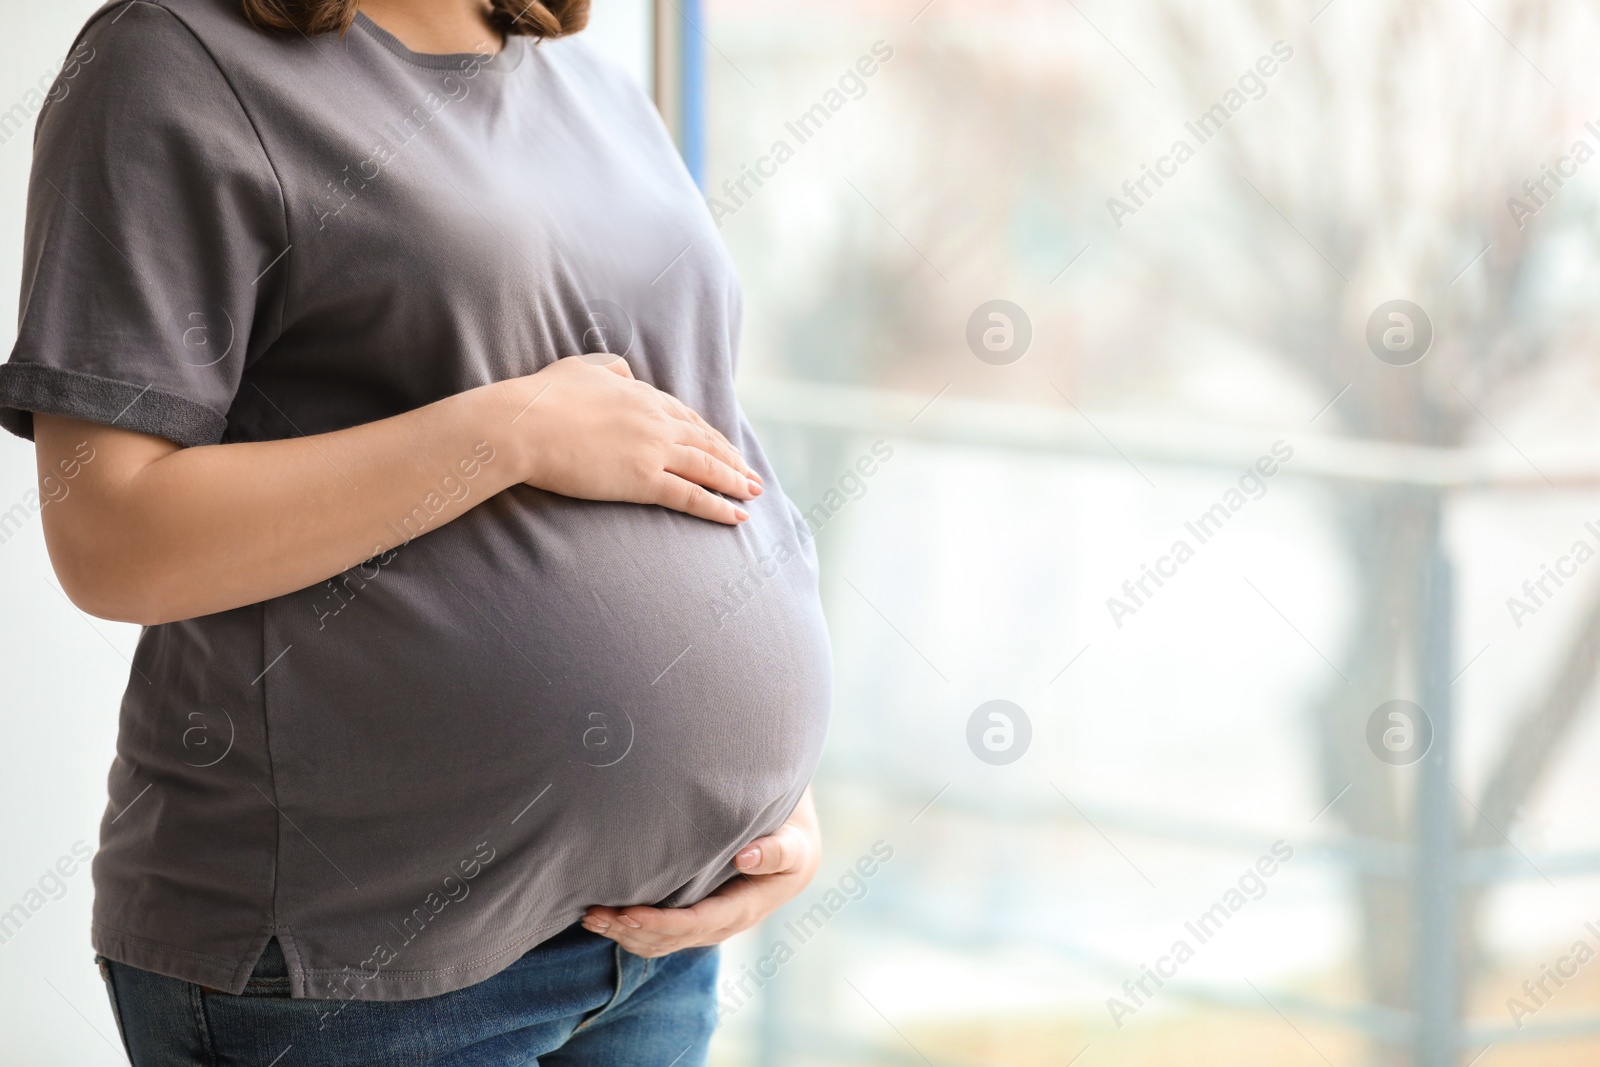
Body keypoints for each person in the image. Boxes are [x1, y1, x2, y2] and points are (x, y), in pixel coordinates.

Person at [0, 0, 833, 1062]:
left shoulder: (591, 81)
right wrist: (504, 433)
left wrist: (759, 797)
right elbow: (109, 533)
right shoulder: (173, 58)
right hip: (355, 969)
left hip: (658, 947)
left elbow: (689, 435)